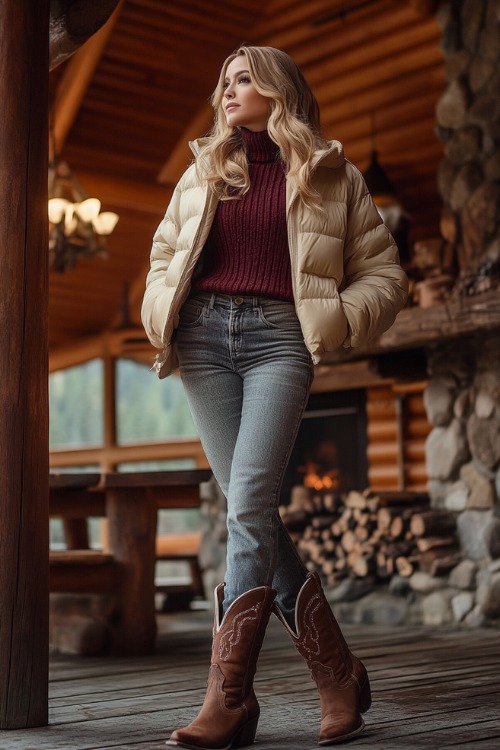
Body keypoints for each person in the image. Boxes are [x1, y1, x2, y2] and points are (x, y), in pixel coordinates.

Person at [141, 45, 408, 749]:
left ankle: (229, 700)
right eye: (223, 79)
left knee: (251, 498)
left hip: (279, 343)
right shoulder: (202, 171)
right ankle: (337, 674)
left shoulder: (332, 175)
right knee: (249, 504)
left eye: (244, 78)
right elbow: (163, 258)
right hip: (203, 341)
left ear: (279, 89)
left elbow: (385, 274)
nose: (228, 89)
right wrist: (157, 307)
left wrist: (335, 320)